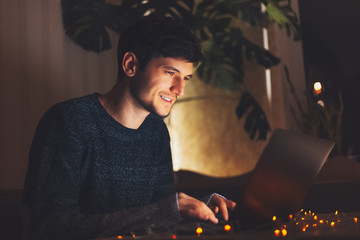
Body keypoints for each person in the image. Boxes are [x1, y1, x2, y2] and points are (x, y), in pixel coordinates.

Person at [22, 14, 236, 240]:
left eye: (186, 78)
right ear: (131, 65)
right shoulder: (69, 121)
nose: (179, 89)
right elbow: (49, 227)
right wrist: (167, 209)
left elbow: (156, 216)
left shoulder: (156, 132)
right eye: (170, 73)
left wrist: (199, 207)